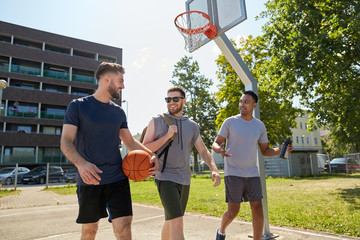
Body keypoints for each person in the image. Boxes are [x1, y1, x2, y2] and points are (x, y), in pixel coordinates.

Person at [60, 62, 158, 240]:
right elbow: (66, 141)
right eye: (120, 80)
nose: (123, 85)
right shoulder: (78, 106)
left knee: (124, 228)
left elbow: (130, 141)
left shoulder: (119, 112)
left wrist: (151, 155)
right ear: (107, 79)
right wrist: (81, 164)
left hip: (117, 178)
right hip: (90, 178)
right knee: (89, 231)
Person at [142, 86, 221, 240]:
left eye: (175, 99)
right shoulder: (156, 121)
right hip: (165, 177)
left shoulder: (192, 126)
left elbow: (203, 150)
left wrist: (214, 169)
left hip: (184, 179)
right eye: (168, 99)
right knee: (177, 222)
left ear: (184, 101)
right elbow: (144, 148)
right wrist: (166, 136)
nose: (171, 102)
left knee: (171, 220)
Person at [212, 90, 292, 240]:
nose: (242, 105)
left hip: (252, 173)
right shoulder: (230, 122)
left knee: (257, 208)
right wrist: (220, 150)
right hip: (233, 172)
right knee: (233, 210)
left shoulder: (259, 126)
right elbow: (216, 143)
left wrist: (281, 150)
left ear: (254, 105)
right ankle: (221, 230)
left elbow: (265, 150)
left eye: (246, 102)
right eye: (241, 102)